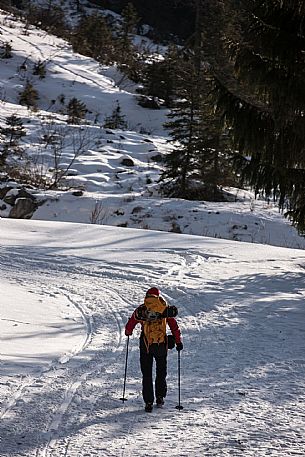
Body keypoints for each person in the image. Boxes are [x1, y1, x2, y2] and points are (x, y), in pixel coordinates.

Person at [125, 287, 183, 412]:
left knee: (147, 374)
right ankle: (160, 397)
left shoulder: (142, 309)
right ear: (158, 296)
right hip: (161, 345)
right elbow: (174, 326)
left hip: (146, 346)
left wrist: (128, 332)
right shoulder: (164, 308)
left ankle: (148, 402)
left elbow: (130, 324)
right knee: (161, 372)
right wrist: (178, 341)